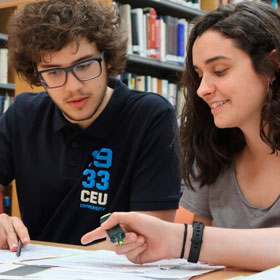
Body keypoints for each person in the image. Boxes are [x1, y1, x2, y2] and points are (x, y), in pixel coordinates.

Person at [82, 1, 280, 271]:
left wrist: (182, 239)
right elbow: (177, 243)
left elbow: (183, 239)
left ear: (272, 65)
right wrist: (145, 240)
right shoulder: (215, 156)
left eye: (220, 70)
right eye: (199, 75)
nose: (202, 90)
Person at [0, 0, 181, 250]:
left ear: (107, 60)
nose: (72, 87)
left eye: (84, 66)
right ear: (36, 74)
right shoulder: (22, 114)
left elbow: (153, 232)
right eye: (53, 72)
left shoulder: (150, 116)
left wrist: (106, 247)